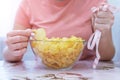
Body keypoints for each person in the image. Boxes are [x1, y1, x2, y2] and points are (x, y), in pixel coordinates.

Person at [3, 0, 115, 62]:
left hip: (88, 73)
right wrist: (12, 49)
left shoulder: (96, 3)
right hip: (44, 73)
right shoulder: (28, 3)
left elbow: (106, 56)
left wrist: (104, 30)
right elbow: (10, 55)